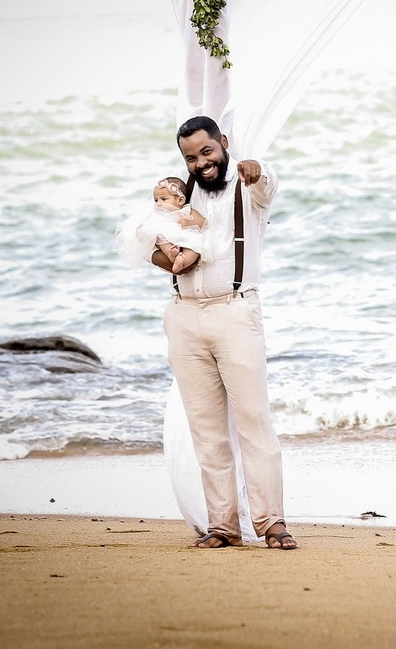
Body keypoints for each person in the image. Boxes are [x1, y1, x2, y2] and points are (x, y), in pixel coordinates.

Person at [150, 115, 296, 550]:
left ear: (223, 144)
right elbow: (153, 252)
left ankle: (271, 521)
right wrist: (162, 251)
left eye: (207, 152)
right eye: (191, 157)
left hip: (235, 313)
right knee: (206, 429)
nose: (201, 163)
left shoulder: (247, 192)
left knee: (253, 421)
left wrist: (258, 167)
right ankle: (223, 526)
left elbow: (267, 184)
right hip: (183, 316)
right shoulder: (177, 200)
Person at [114, 176, 209, 274]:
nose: (158, 203)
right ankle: (171, 255)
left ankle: (183, 262)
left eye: (164, 199)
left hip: (186, 237)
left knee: (195, 246)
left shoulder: (186, 211)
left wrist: (190, 220)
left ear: (180, 200)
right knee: (159, 236)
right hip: (168, 237)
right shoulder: (158, 215)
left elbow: (202, 222)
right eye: (156, 200)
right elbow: (143, 228)